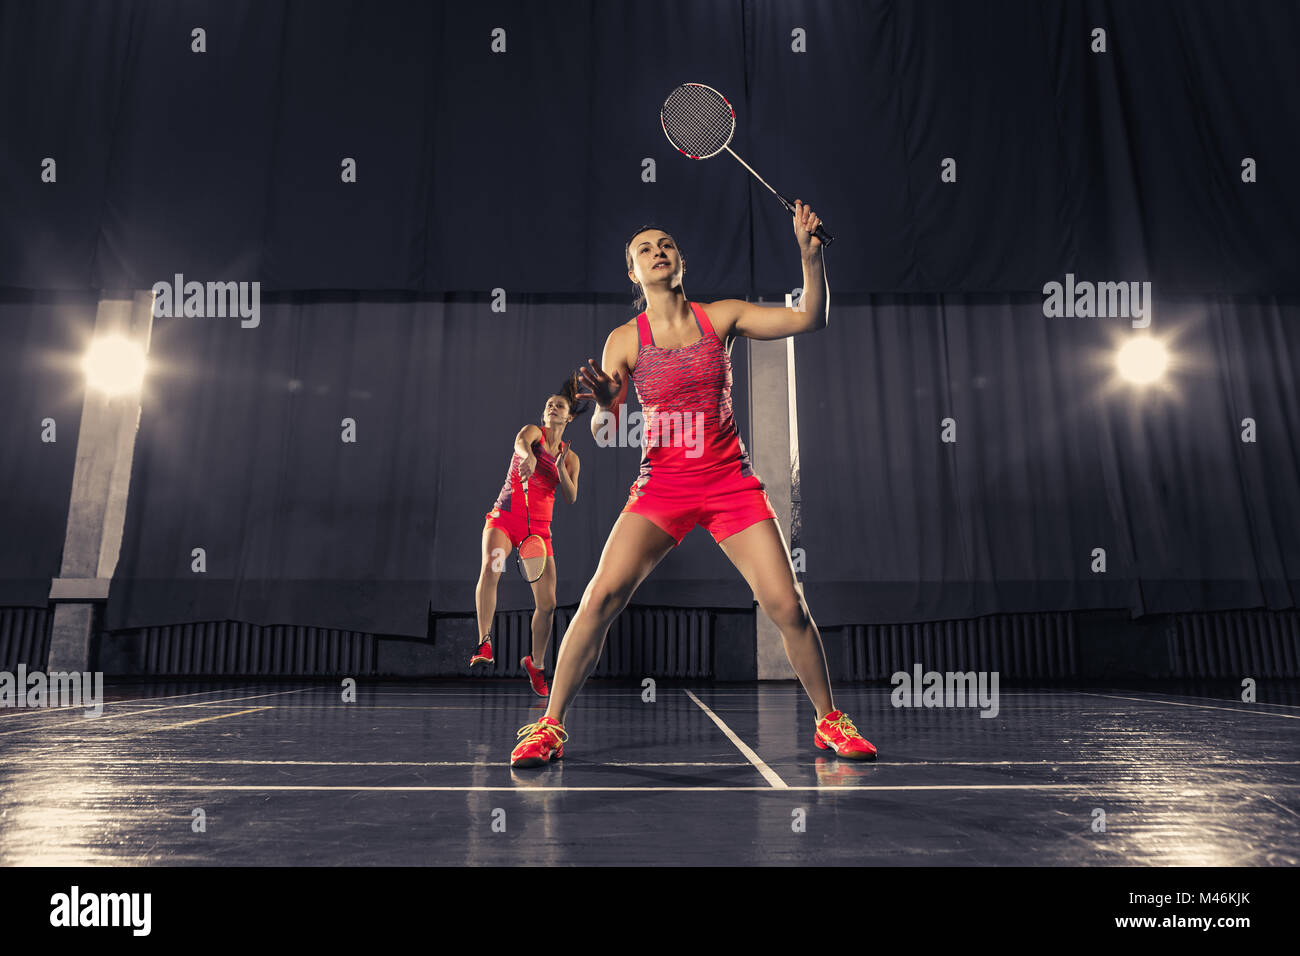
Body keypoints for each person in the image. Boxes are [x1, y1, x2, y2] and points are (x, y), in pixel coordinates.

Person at [510, 201, 876, 765]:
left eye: (666, 245)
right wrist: (606, 403)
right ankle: (548, 726)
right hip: (662, 487)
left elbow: (810, 318)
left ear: (681, 261)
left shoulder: (722, 317)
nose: (658, 252)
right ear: (633, 272)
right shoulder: (623, 340)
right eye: (644, 250)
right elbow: (606, 426)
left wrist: (810, 259)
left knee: (787, 605)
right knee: (600, 598)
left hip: (730, 482)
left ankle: (830, 721)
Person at [473, 375, 585, 697]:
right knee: (491, 568)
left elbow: (571, 496)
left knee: (548, 605)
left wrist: (561, 467)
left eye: (559, 406)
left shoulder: (572, 457)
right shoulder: (533, 435)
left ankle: (536, 664)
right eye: (549, 405)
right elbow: (519, 442)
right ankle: (484, 643)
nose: (552, 407)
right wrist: (530, 456)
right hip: (506, 518)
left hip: (537, 531)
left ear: (569, 417)